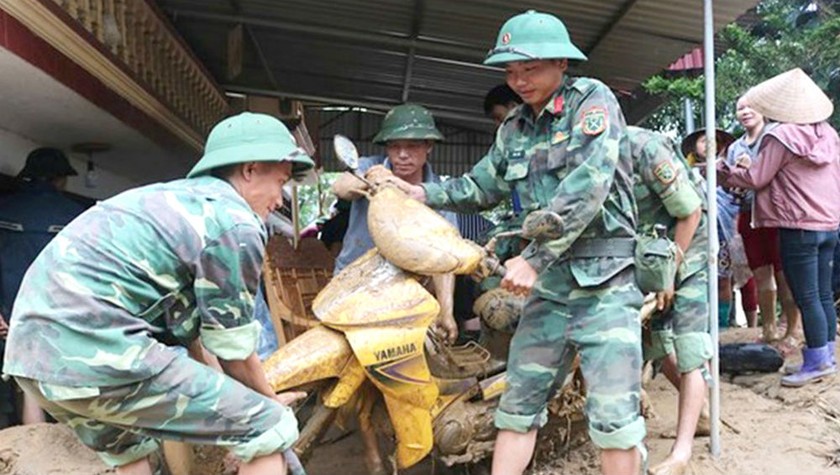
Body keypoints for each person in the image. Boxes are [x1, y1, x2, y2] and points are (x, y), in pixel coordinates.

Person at [371, 10, 644, 475]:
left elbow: (587, 186)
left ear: (561, 63)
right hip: (548, 290)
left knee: (614, 419)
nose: (518, 80)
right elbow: (482, 187)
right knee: (517, 405)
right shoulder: (514, 127)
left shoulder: (591, 103)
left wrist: (533, 259)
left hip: (605, 284)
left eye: (530, 68)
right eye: (510, 71)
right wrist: (422, 193)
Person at [1, 112, 314, 475]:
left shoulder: (170, 203)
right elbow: (236, 353)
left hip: (33, 362)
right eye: (281, 181)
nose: (280, 200)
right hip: (97, 350)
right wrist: (271, 409)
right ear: (250, 169)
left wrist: (240, 402)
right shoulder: (235, 223)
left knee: (130, 452)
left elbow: (199, 343)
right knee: (267, 428)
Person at [718, 68, 840, 387]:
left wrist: (723, 172)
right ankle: (827, 353)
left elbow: (757, 178)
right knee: (823, 293)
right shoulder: (828, 134)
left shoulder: (780, 136)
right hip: (828, 223)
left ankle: (816, 362)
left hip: (797, 224)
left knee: (807, 294)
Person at [332, 103, 459, 344]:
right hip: (353, 283)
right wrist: (373, 181)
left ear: (429, 146)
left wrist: (446, 310)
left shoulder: (437, 193)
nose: (402, 154)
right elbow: (340, 187)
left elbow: (445, 257)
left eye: (412, 146)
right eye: (394, 146)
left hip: (408, 293)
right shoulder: (369, 167)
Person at [628, 127, 710, 475]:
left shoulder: (644, 148)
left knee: (690, 347)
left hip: (688, 246)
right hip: (648, 252)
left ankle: (681, 452)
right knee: (659, 341)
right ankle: (702, 414)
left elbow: (689, 213)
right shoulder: (578, 154)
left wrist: (670, 273)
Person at [0, 147, 87, 428]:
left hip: (8, 315)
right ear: (60, 179)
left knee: (21, 381)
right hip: (60, 317)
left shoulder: (4, 209)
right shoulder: (78, 215)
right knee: (56, 388)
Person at [728, 97, 802, 345]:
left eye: (751, 107)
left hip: (777, 214)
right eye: (740, 108)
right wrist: (734, 181)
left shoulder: (777, 136)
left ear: (765, 110)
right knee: (760, 274)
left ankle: (792, 329)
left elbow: (783, 175)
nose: (746, 111)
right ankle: (768, 327)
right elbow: (732, 182)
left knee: (785, 274)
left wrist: (753, 169)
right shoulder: (734, 147)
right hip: (748, 215)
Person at [681, 129, 758, 328]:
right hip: (695, 235)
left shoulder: (727, 170)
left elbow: (738, 196)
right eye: (703, 141)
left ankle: (722, 326)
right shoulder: (685, 172)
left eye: (712, 141)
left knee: (725, 279)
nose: (708, 145)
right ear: (694, 147)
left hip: (725, 233)